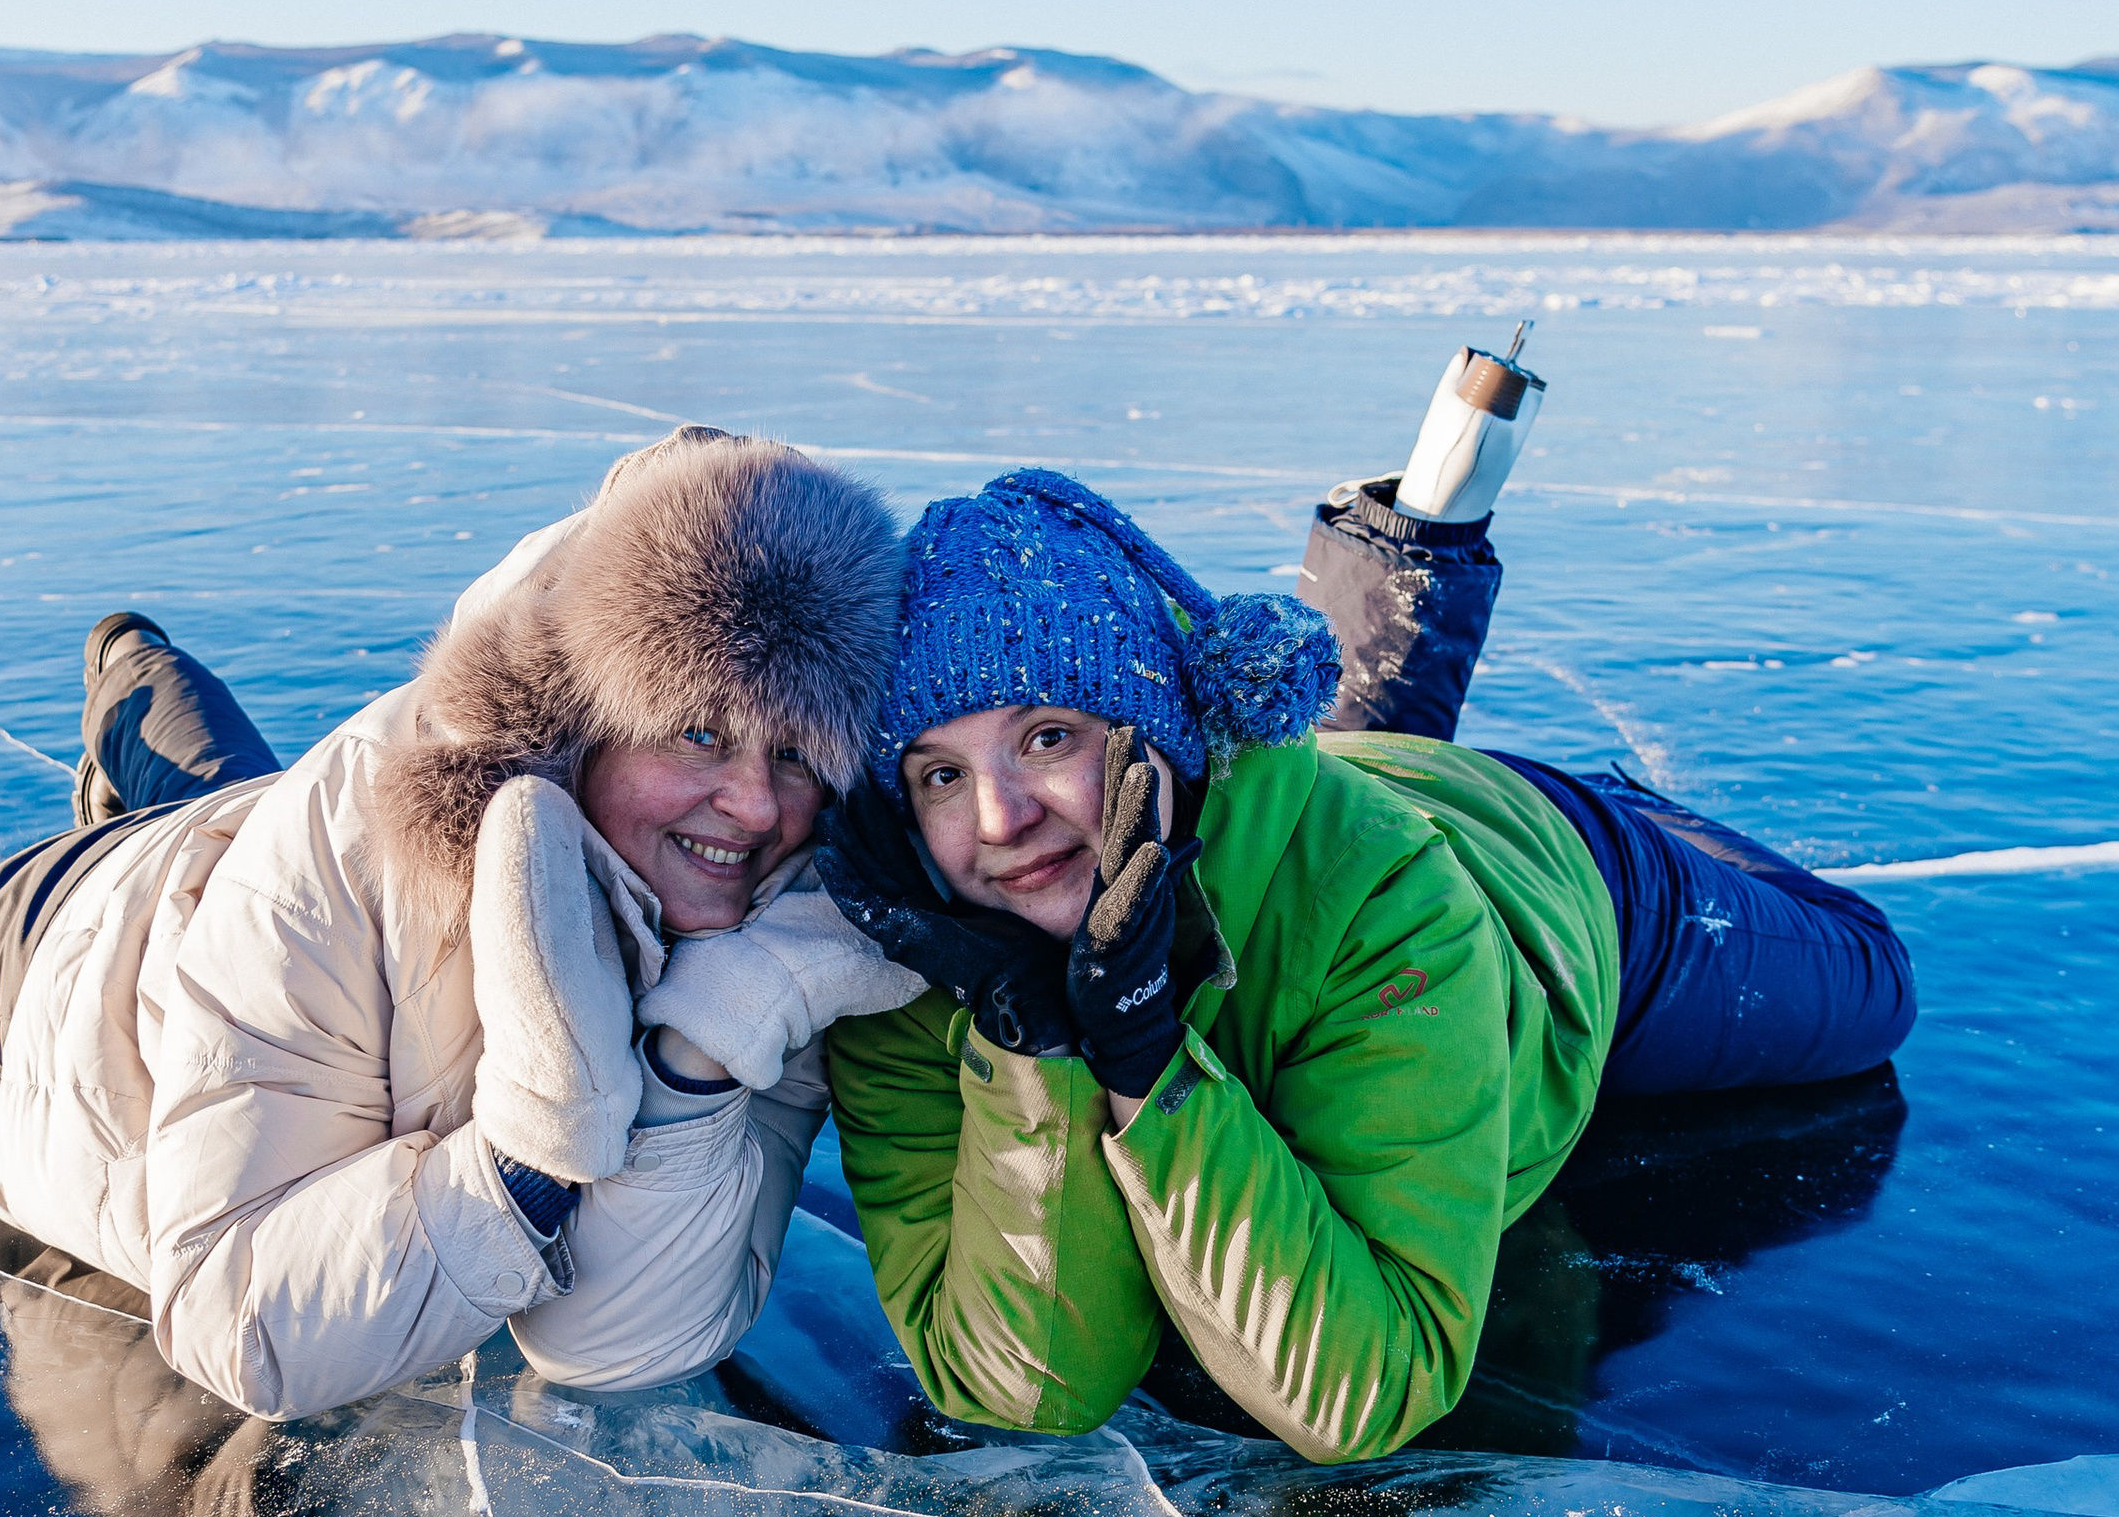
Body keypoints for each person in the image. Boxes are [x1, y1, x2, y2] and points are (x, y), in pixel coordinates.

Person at [820, 338, 1916, 1458]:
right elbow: (1024, 1390)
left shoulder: (1387, 909)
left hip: (1557, 877)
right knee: (1320, 766)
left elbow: (1360, 1388)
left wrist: (1146, 1057)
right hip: (1321, 790)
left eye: (1048, 736)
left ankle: (1610, 788)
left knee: (1872, 980)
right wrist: (1033, 1043)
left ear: (1161, 734)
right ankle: (1410, 554)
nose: (999, 819)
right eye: (938, 774)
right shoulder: (901, 972)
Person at [0, 429, 919, 1417]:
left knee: (237, 795)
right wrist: (522, 1157)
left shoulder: (779, 913)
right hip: (76, 959)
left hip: (238, 853)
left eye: (795, 751)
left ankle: (134, 664)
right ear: (579, 715)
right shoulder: (353, 846)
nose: (755, 804)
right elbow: (233, 1317)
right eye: (697, 733)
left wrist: (703, 1049)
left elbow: (618, 1343)